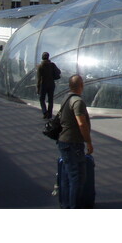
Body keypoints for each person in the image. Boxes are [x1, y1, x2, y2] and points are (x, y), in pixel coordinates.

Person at [57, 74, 93, 208]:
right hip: (73, 143)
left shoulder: (65, 98)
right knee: (77, 178)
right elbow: (81, 124)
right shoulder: (78, 101)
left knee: (68, 176)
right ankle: (74, 206)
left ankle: (66, 204)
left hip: (64, 141)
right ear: (81, 85)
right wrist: (88, 142)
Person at [37, 51, 60, 118]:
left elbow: (39, 79)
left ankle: (45, 112)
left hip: (43, 84)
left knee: (42, 99)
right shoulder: (52, 65)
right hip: (51, 84)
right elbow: (59, 71)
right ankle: (50, 114)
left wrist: (38, 88)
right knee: (50, 100)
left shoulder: (40, 66)